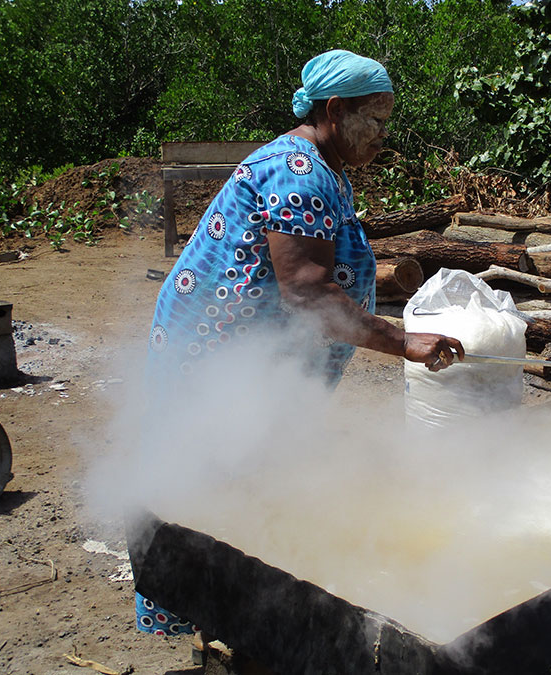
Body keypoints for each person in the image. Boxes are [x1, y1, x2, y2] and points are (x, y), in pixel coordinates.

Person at [135, 50, 464, 636]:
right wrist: (403, 341)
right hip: (218, 354)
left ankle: (240, 613)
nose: (384, 137)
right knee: (217, 473)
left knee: (257, 467)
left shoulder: (324, 166)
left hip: (252, 351)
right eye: (378, 120)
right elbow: (309, 295)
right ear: (335, 110)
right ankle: (213, 619)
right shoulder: (301, 172)